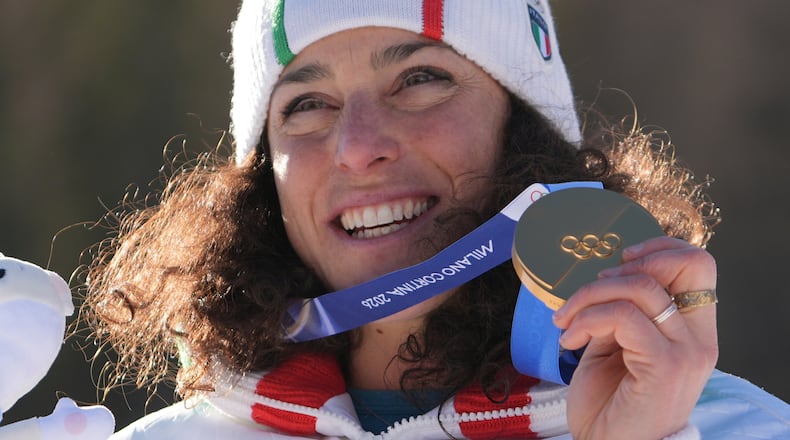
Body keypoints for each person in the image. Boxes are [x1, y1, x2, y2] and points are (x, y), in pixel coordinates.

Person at [79, 1, 789, 439]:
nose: (357, 147)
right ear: (265, 182)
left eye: (420, 80)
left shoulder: (737, 429)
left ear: (527, 130)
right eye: (307, 105)